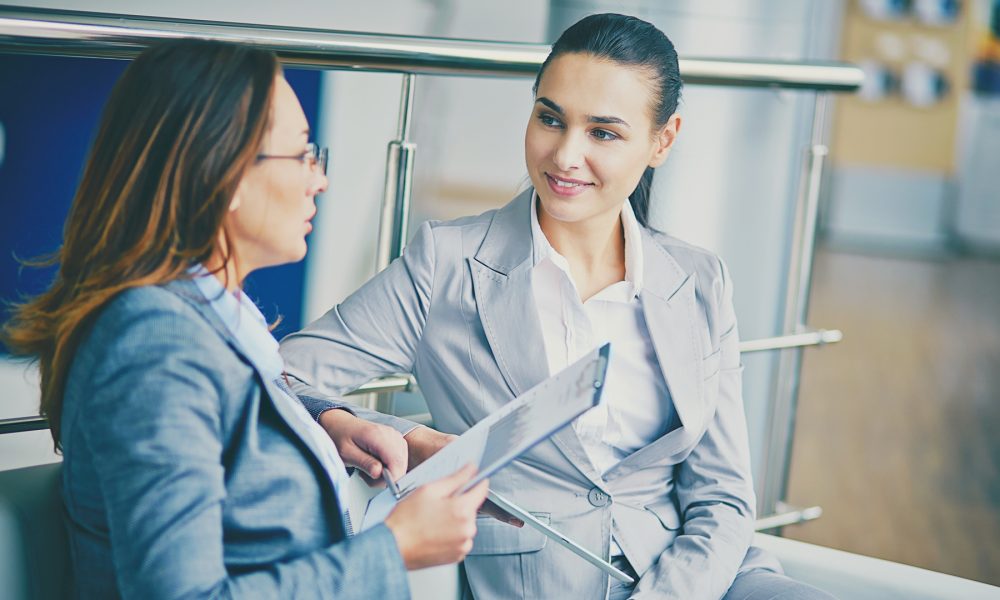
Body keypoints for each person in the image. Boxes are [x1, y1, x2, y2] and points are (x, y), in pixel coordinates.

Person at [281, 13, 837, 600]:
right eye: (550, 118)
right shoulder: (447, 264)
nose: (566, 155)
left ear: (663, 140)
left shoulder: (699, 279)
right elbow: (278, 375)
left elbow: (722, 496)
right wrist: (391, 432)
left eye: (604, 133)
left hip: (702, 578)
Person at [1, 39, 489, 599]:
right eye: (302, 154)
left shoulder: (201, 314)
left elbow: (229, 405)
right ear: (225, 174)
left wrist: (327, 421)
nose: (320, 179)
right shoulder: (154, 345)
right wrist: (395, 548)